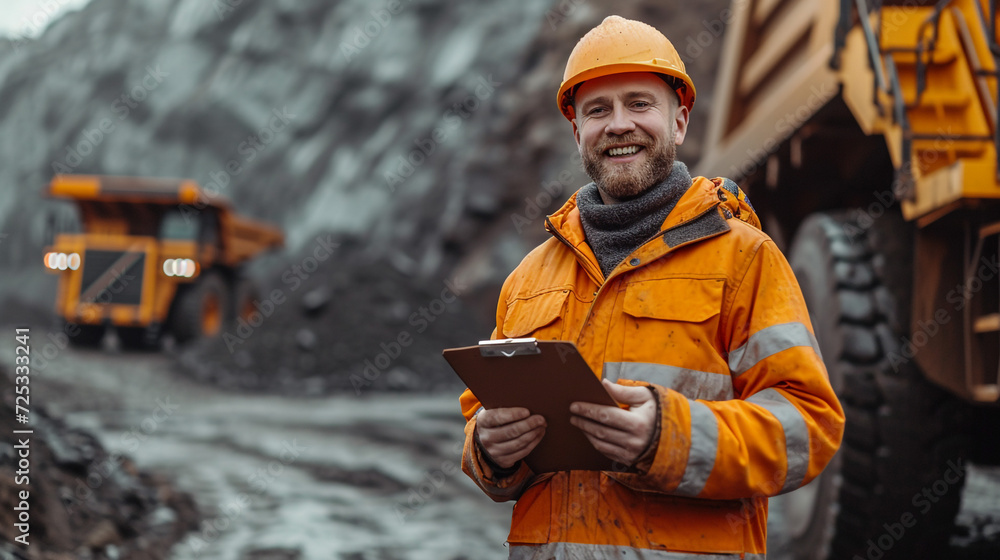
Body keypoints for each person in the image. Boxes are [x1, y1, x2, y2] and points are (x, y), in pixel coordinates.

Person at [458, 15, 844, 559]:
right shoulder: (528, 278)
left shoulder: (744, 258)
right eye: (597, 110)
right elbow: (482, 419)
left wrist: (670, 437)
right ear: (577, 132)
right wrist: (489, 449)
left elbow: (809, 427)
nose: (619, 125)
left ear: (679, 121)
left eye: (639, 104)